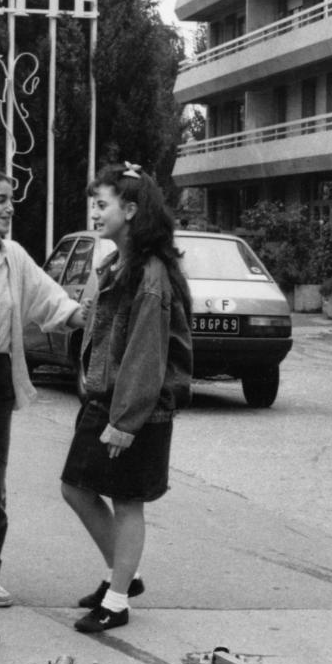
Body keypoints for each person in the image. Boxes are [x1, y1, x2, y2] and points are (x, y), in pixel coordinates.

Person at [61, 161, 192, 634]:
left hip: (133, 408)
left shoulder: (149, 274)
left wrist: (126, 420)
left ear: (131, 210)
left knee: (127, 499)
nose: (94, 213)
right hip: (106, 400)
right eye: (93, 204)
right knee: (76, 487)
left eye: (102, 204)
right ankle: (126, 575)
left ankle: (116, 602)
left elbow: (146, 353)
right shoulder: (118, 263)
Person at [0, 169, 87, 609]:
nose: (9, 208)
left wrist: (86, 316)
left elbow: (50, 300)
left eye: (10, 199)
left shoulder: (13, 256)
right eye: (0, 199)